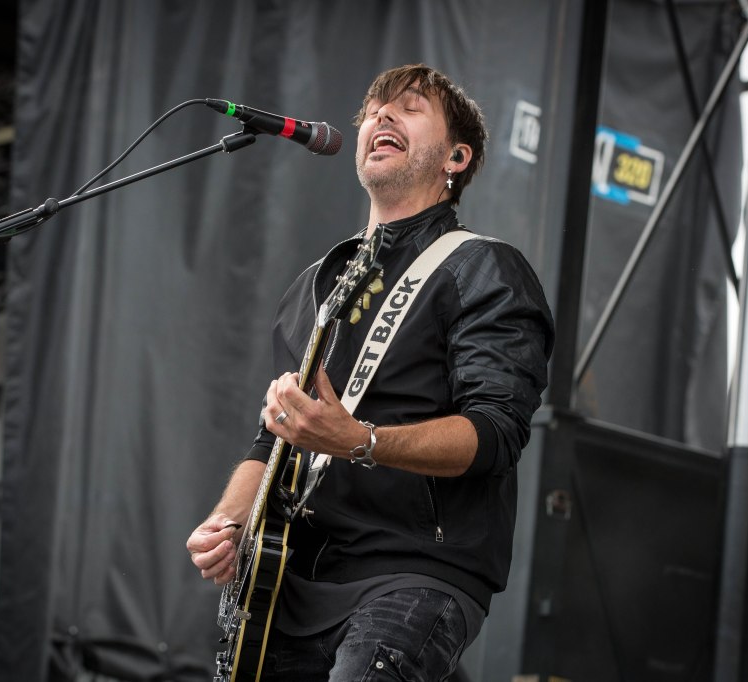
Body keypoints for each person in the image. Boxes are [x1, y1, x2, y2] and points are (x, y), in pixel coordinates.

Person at [186, 64, 554, 681]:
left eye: (408, 107)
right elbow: (274, 437)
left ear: (456, 157)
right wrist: (228, 522)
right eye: (373, 109)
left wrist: (362, 441)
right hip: (286, 585)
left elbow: (495, 433)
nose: (381, 115)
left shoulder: (483, 268)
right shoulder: (314, 285)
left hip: (411, 573)